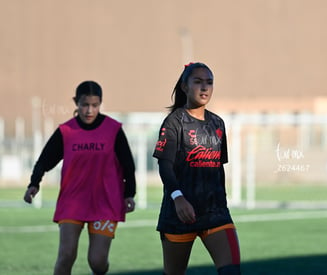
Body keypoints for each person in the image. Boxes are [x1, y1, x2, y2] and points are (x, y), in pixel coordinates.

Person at [23, 80, 136, 275]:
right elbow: (45, 159)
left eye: (94, 105)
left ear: (100, 103)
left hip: (105, 203)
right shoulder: (66, 131)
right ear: (76, 102)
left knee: (98, 262)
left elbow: (127, 164)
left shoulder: (113, 129)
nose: (89, 110)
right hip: (72, 201)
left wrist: (129, 194)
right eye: (85, 105)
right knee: (66, 256)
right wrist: (34, 183)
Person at [153, 62, 241, 275]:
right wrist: (178, 197)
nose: (204, 88)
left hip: (215, 213)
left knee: (232, 272)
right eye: (198, 82)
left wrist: (221, 203)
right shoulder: (174, 122)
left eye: (209, 83)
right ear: (185, 87)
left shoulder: (218, 124)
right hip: (180, 214)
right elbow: (165, 166)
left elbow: (218, 169)